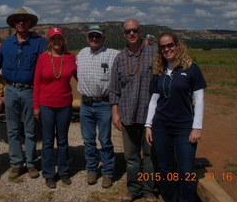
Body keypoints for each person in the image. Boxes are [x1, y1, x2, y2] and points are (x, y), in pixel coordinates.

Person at [145, 32, 207, 202]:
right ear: (160, 50)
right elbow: (154, 101)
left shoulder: (191, 68)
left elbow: (199, 99)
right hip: (161, 127)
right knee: (166, 169)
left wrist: (197, 127)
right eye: (163, 46)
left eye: (170, 45)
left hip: (184, 128)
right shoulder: (159, 71)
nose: (167, 49)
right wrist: (148, 125)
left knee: (186, 171)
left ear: (177, 45)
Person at [109, 19, 158, 202]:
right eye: (128, 31)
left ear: (140, 31)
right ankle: (134, 189)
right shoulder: (120, 58)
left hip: (149, 117)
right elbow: (114, 89)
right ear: (123, 34)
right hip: (127, 115)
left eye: (134, 30)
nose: (131, 33)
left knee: (150, 156)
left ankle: (149, 190)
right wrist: (115, 113)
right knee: (131, 157)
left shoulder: (154, 54)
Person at [0, 7, 47, 180]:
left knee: (31, 129)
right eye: (18, 20)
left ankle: (31, 163)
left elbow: (46, 66)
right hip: (10, 91)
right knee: (13, 129)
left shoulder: (39, 43)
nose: (21, 22)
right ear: (13, 24)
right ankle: (16, 164)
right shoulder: (6, 44)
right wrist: (4, 83)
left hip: (30, 91)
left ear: (30, 23)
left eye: (24, 20)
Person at [33, 27, 77, 188]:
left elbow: (80, 78)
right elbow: (36, 84)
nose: (56, 42)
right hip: (46, 105)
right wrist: (36, 106)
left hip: (64, 104)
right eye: (53, 39)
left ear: (63, 40)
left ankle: (64, 171)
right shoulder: (42, 58)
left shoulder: (71, 57)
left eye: (59, 38)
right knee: (47, 141)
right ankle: (49, 173)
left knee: (63, 140)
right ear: (49, 41)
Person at [76, 25, 119, 188]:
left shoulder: (113, 54)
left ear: (103, 38)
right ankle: (92, 170)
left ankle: (107, 172)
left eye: (98, 36)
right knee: (88, 140)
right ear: (87, 38)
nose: (94, 38)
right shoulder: (81, 54)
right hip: (86, 104)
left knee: (105, 140)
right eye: (91, 36)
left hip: (104, 104)